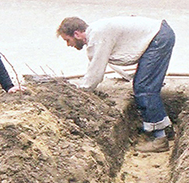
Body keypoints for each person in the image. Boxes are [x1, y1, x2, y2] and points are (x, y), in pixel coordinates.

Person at [57, 15, 175, 153]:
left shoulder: (98, 36)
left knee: (145, 88)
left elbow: (96, 71)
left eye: (67, 40)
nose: (68, 44)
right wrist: (127, 76)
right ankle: (167, 130)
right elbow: (106, 60)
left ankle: (160, 140)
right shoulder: (97, 32)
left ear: (76, 34)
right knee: (144, 85)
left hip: (157, 37)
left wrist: (82, 90)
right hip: (160, 33)